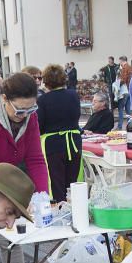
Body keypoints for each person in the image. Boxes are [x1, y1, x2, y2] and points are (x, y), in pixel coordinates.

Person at [37, 63, 82, 201]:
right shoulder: (73, 95)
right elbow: (76, 116)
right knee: (73, 179)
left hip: (53, 143)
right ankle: (75, 207)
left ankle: (59, 209)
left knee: (56, 181)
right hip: (74, 140)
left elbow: (40, 125)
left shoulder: (43, 99)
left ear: (46, 81)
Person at [113, 58, 132, 129]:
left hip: (123, 91)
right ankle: (130, 126)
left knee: (120, 109)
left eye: (120, 61)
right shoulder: (130, 67)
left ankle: (120, 126)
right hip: (129, 91)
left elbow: (123, 79)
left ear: (122, 61)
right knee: (128, 111)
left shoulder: (124, 68)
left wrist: (116, 85)